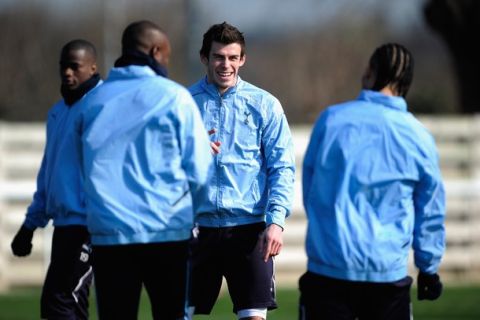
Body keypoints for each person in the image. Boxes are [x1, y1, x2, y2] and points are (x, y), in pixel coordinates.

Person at [75, 20, 212, 320]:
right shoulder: (174, 97)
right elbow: (201, 171)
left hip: (110, 235)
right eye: (166, 56)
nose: (166, 62)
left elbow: (78, 168)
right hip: (166, 233)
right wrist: (191, 215)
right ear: (154, 51)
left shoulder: (92, 102)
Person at [300, 43, 446, 320]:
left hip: (329, 268)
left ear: (370, 72)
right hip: (387, 274)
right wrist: (428, 267)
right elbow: (430, 209)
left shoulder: (331, 120)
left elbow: (310, 189)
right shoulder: (418, 135)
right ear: (406, 82)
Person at [187, 22, 296, 320]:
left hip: (250, 231)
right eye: (219, 57)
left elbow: (283, 167)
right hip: (195, 230)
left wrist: (276, 222)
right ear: (204, 58)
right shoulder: (183, 105)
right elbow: (161, 166)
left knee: (253, 318)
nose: (226, 64)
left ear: (242, 59)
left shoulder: (265, 104)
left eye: (233, 58)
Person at [10, 39, 101, 320]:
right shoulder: (57, 112)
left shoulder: (103, 107)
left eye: (75, 66)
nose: (68, 73)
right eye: (64, 66)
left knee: (60, 300)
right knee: (66, 304)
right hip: (64, 227)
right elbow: (49, 173)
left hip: (90, 226)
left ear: (93, 67)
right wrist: (29, 225)